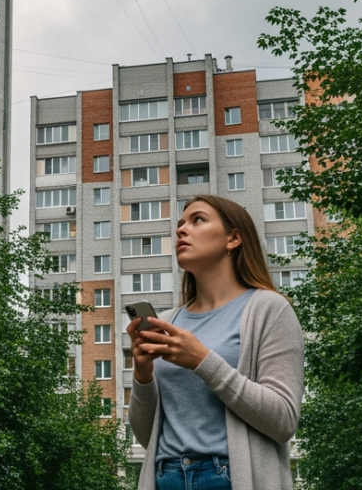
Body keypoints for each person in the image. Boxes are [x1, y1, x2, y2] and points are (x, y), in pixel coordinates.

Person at [126, 194, 304, 490]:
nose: (181, 230)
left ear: (233, 238)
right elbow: (147, 436)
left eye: (197, 220)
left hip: (231, 478)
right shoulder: (169, 322)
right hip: (165, 477)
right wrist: (143, 375)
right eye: (180, 224)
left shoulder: (269, 309)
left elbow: (283, 420)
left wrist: (202, 361)